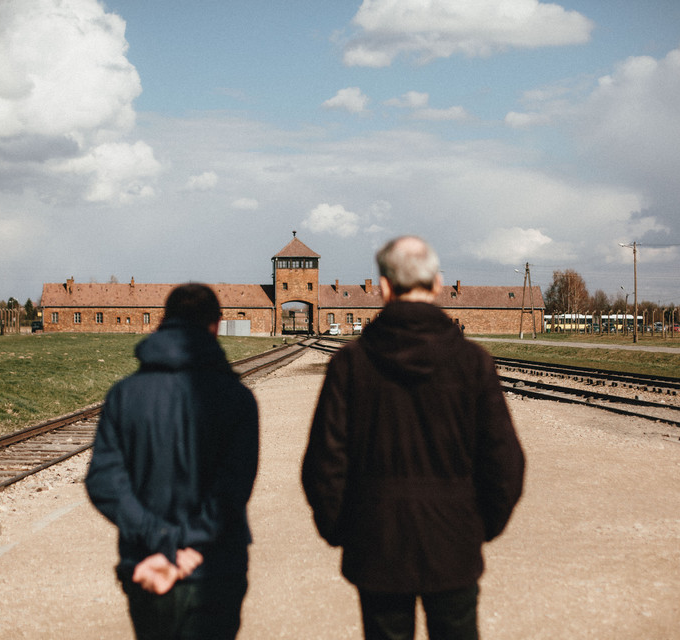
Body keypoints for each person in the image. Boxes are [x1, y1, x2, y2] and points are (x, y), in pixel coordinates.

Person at [302, 236, 525, 640]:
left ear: (384, 287)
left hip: (376, 541)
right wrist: (477, 527)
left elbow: (324, 464)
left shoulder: (350, 364)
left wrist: (345, 531)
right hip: (454, 540)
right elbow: (505, 463)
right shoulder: (473, 363)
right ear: (438, 284)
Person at [86, 283, 259, 640]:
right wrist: (188, 547)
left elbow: (105, 481)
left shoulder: (124, 395)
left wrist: (159, 540)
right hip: (214, 566)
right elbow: (232, 488)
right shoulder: (238, 399)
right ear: (215, 325)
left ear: (163, 321)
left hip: (147, 567)